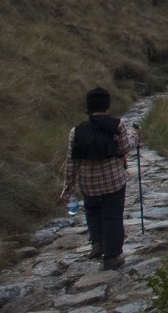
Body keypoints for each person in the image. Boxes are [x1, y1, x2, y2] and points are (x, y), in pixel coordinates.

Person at [59, 87, 139, 270]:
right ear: (106, 105)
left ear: (88, 107)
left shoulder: (76, 132)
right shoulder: (116, 125)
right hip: (113, 181)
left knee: (93, 212)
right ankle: (111, 256)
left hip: (88, 185)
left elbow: (72, 162)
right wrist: (136, 136)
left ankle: (98, 242)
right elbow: (125, 148)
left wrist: (68, 188)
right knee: (112, 215)